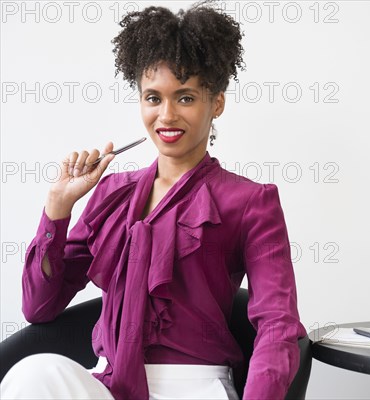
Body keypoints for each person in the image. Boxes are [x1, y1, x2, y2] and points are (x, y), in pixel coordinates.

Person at [0, 2, 307, 399]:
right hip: (108, 385)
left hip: (197, 389)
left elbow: (277, 325)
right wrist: (58, 208)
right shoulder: (112, 194)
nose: (166, 116)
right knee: (34, 374)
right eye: (152, 97)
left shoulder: (250, 201)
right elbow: (38, 308)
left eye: (184, 98)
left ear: (216, 102)